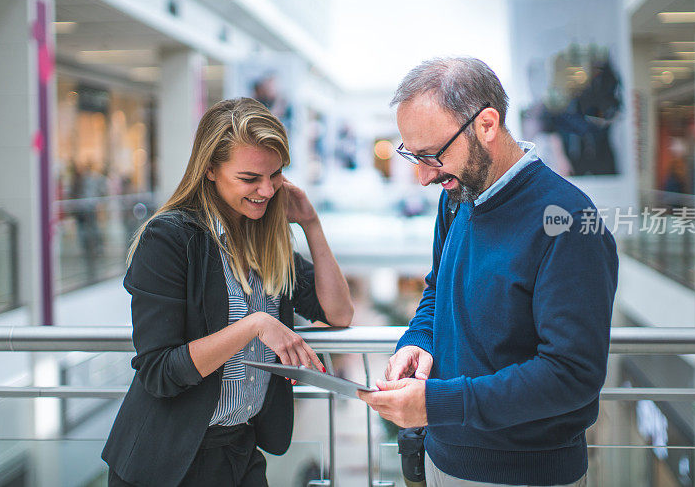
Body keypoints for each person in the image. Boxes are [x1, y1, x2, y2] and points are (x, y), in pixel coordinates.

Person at [359, 58, 618, 486]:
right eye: (413, 156)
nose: (423, 176)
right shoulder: (458, 195)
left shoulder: (566, 220)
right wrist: (419, 340)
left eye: (432, 155)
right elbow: (438, 291)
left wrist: (434, 405)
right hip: (443, 459)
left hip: (526, 476)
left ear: (486, 124)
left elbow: (572, 375)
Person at [102, 98, 354, 487]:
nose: (267, 190)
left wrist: (311, 223)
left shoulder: (267, 237)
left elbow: (339, 314)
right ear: (209, 170)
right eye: (249, 177)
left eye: (275, 175)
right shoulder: (169, 238)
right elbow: (159, 372)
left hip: (240, 450)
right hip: (168, 463)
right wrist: (254, 325)